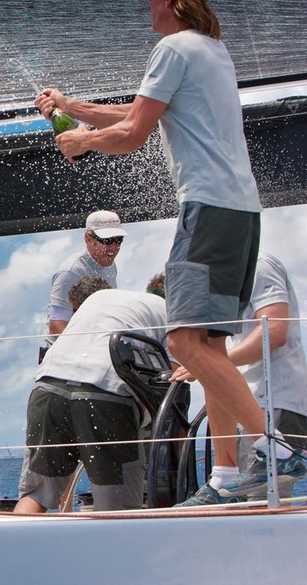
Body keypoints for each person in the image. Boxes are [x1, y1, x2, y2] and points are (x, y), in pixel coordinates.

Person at [35, 0, 303, 496]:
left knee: (184, 340)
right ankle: (229, 475)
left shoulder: (173, 48)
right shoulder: (211, 53)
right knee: (208, 343)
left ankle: (280, 449)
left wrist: (80, 141)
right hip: (237, 212)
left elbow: (134, 132)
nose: (148, 6)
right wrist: (70, 108)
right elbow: (140, 111)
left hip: (206, 209)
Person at [16, 274, 167, 513]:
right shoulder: (171, 311)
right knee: (117, 507)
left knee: (37, 494)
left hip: (47, 387)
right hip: (105, 395)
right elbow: (182, 372)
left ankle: (15, 547)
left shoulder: (101, 298)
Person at [177, 254, 307, 505]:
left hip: (273, 399)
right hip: (242, 403)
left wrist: (206, 365)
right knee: (238, 505)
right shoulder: (218, 280)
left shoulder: (259, 264)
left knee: (260, 506)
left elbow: (274, 330)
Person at [46, 210, 127, 340]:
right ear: (88, 238)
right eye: (107, 240)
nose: (113, 247)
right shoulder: (70, 271)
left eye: (118, 240)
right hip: (62, 351)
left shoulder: (110, 264)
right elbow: (56, 325)